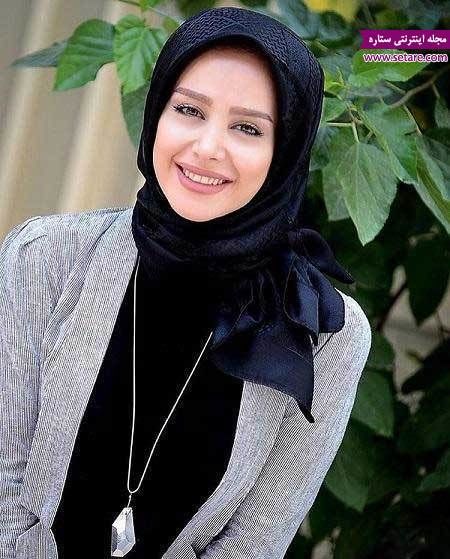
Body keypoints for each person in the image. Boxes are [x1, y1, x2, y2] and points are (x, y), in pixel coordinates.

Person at [0, 6, 372, 559]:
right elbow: (5, 497)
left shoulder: (324, 334)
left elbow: (252, 545)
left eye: (247, 127)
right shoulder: (46, 257)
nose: (207, 147)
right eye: (189, 110)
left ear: (286, 153)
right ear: (157, 113)